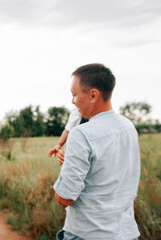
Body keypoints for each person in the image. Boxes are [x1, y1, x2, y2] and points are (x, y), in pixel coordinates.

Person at [53, 64, 140, 239]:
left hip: (88, 233)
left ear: (93, 95)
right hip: (126, 233)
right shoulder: (128, 127)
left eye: (75, 94)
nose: (72, 101)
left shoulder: (81, 133)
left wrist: (68, 166)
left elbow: (65, 197)